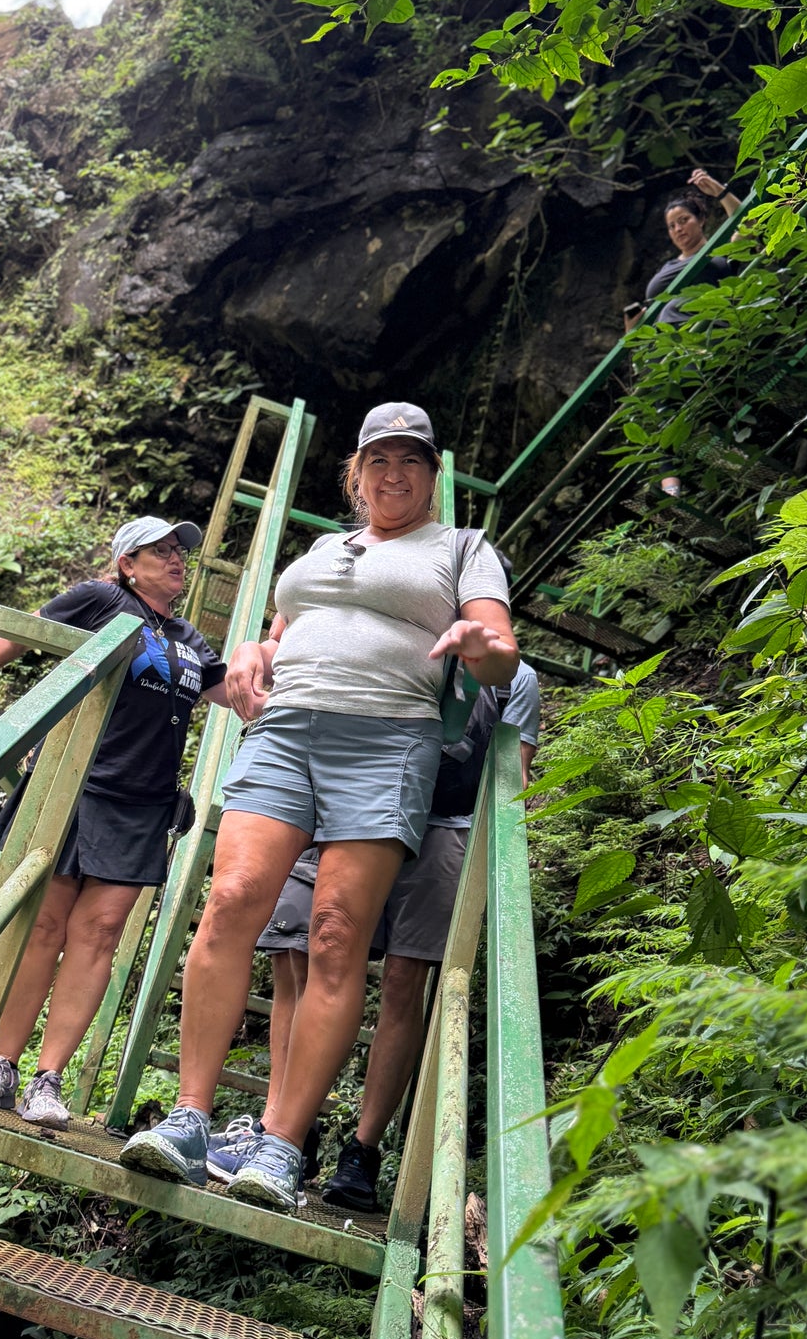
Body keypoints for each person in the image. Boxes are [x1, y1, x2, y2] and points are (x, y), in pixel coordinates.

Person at [118, 402, 519, 1213]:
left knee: (336, 935)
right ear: (356, 471)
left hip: (386, 739)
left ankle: (279, 1148)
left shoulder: (462, 549)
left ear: (432, 474)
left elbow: (499, 649)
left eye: (410, 459)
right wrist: (251, 650)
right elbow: (278, 631)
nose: (393, 473)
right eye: (378, 459)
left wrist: (481, 650)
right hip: (285, 728)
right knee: (231, 901)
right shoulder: (319, 549)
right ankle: (190, 1119)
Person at [207, 657, 542, 1212]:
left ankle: (362, 1151)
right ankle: (283, 1128)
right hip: (357, 813)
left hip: (445, 827)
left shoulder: (515, 680)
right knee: (304, 958)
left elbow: (514, 777)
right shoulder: (402, 641)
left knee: (405, 983)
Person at [0, 516, 232, 1129]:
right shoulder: (103, 598)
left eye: (178, 553)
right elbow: (30, 632)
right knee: (44, 925)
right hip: (78, 787)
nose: (175, 560)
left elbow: (233, 692)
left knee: (100, 933)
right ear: (127, 563)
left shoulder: (189, 636)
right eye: (158, 552)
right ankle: (1, 1063)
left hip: (145, 801)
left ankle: (48, 1079)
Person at [627, 168, 742, 331]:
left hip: (709, 329)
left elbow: (747, 223)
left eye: (683, 220)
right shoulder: (667, 267)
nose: (678, 229)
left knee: (673, 307)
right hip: (666, 344)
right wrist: (633, 329)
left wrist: (718, 190)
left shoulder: (719, 250)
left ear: (701, 219)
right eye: (672, 226)